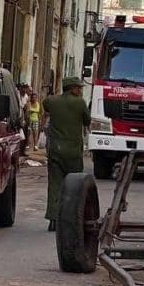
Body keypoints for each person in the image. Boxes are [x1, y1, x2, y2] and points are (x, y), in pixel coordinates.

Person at [42, 77, 90, 231]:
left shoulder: (52, 101)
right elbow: (87, 121)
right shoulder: (80, 103)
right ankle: (72, 219)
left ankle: (53, 219)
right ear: (72, 88)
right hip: (73, 152)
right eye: (79, 88)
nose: (80, 90)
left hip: (55, 150)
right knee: (74, 186)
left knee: (55, 184)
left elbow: (46, 105)